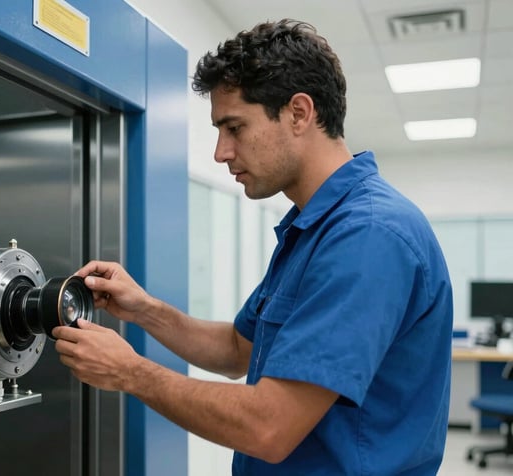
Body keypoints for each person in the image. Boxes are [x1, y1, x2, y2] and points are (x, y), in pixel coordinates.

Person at [53, 18, 453, 475]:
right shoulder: (312, 229)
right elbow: (237, 350)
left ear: (299, 113)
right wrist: (144, 309)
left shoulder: (367, 235)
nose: (221, 152)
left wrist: (131, 372)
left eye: (235, 128)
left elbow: (270, 426)